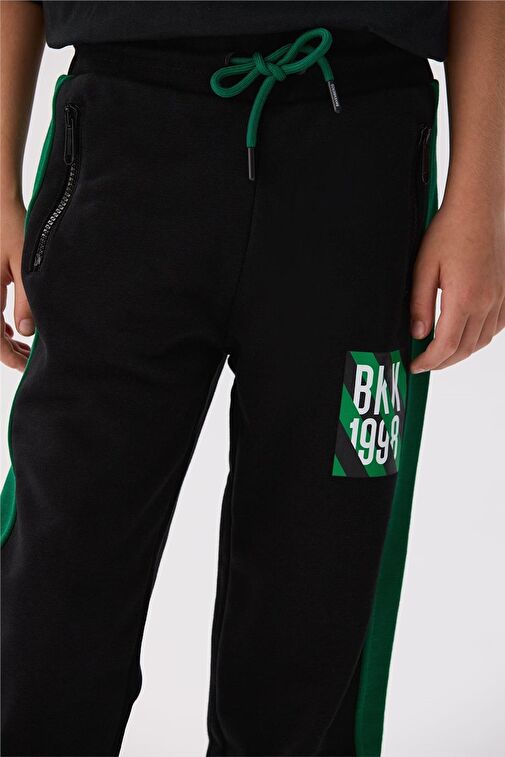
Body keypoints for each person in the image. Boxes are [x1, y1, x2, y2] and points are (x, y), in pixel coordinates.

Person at [1, 2, 504, 755]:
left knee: (316, 599)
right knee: (53, 590)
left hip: (357, 146)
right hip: (123, 135)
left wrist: (482, 198)